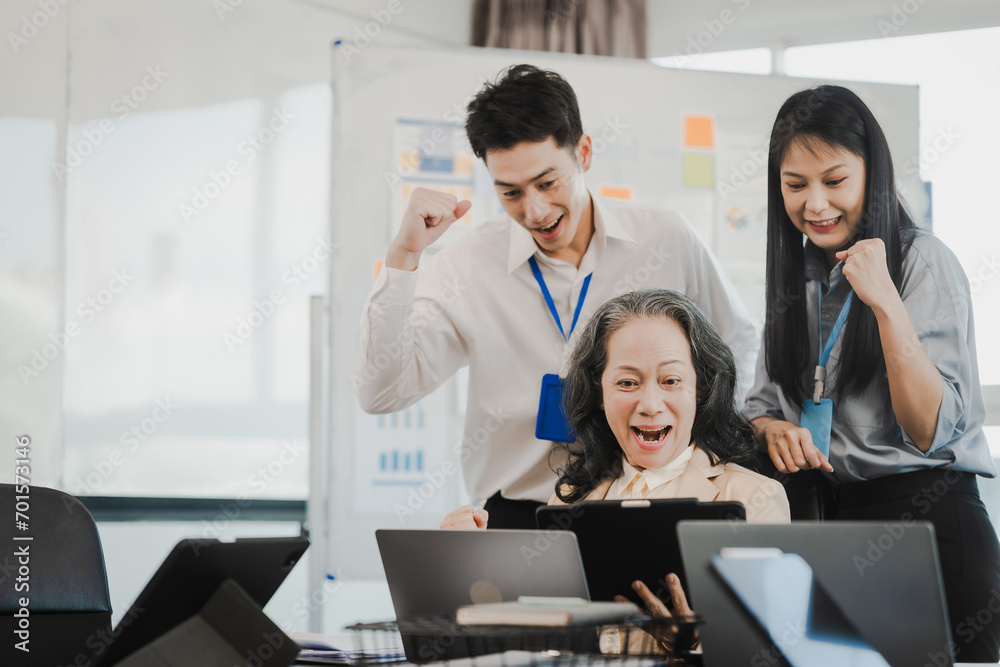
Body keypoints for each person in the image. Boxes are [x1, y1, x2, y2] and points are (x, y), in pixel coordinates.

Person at [355, 64, 757, 529]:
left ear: (583, 153)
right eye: (511, 192)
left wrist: (710, 450)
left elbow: (738, 342)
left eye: (548, 183)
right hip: (521, 514)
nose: (535, 211)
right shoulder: (465, 267)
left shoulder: (664, 238)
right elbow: (381, 393)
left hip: (653, 505)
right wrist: (404, 256)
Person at [744, 84, 1000, 662]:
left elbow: (930, 428)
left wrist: (885, 303)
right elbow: (759, 406)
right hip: (829, 524)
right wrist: (771, 432)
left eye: (835, 182)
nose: (815, 204)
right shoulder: (798, 278)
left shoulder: (923, 261)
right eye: (795, 185)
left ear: (872, 176)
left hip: (930, 521)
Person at [442, 289, 789, 652]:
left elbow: (768, 647)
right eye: (627, 382)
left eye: (671, 381)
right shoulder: (571, 497)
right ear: (599, 392)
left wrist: (694, 643)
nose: (651, 405)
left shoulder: (755, 498)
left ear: (701, 389)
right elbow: (548, 638)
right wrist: (472, 564)